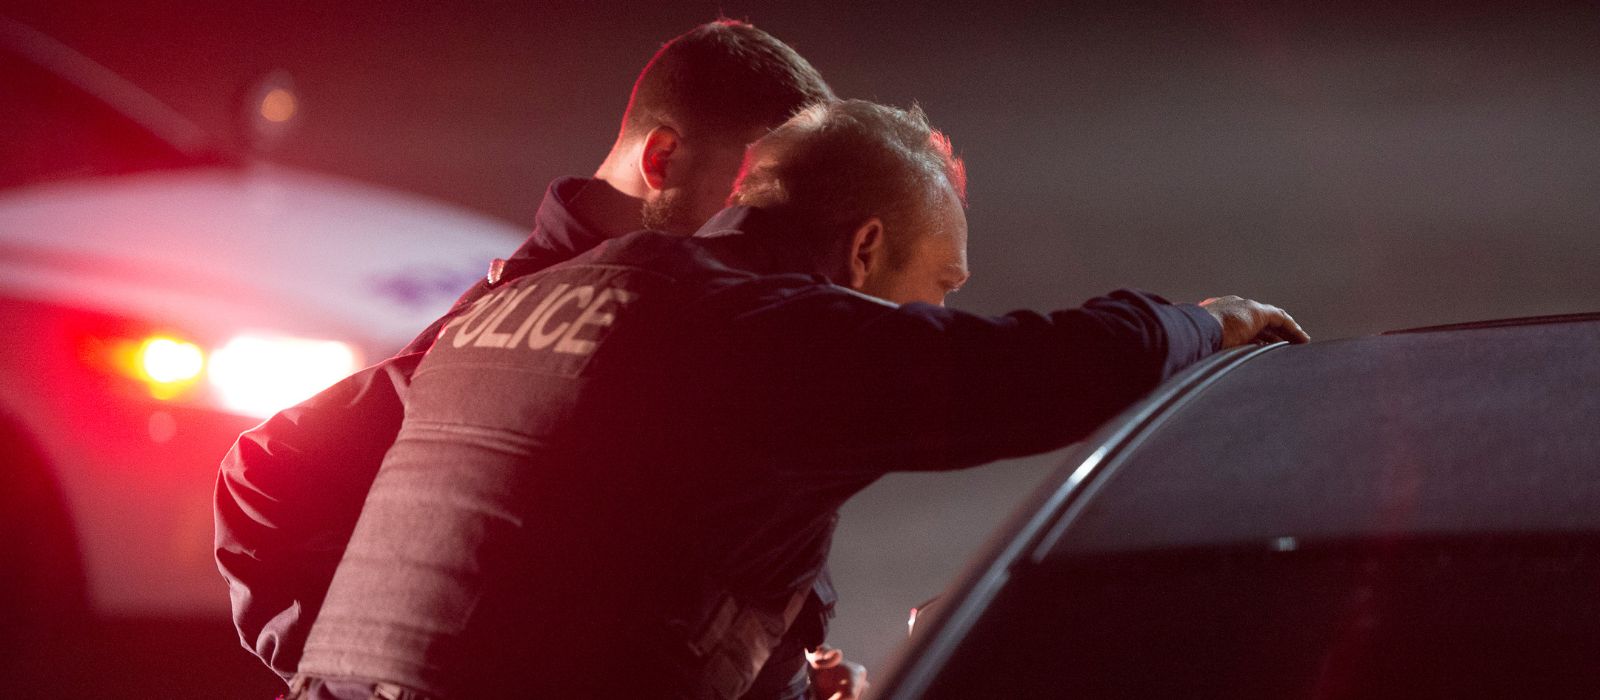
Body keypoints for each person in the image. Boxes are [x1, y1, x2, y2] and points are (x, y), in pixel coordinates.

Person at [288, 99, 1307, 699]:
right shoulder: (765, 326)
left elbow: (584, 557)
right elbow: (1036, 372)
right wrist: (1209, 322)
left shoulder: (540, 300)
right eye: (941, 285)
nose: (946, 311)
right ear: (863, 250)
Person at [214, 20, 859, 700]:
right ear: (663, 159)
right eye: (751, 199)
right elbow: (268, 469)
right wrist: (356, 676)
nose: (768, 235)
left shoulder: (694, 306)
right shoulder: (535, 314)